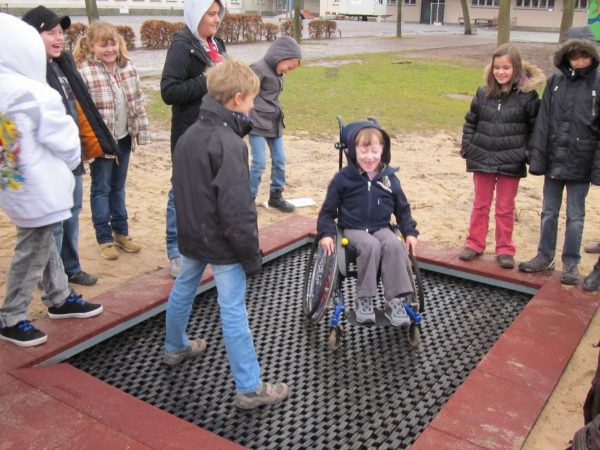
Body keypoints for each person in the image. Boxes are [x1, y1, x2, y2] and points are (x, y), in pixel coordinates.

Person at [163, 57, 289, 410]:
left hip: (193, 233)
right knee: (233, 309)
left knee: (184, 287)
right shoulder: (229, 145)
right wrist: (250, 256)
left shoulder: (190, 134)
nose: (252, 105)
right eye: (250, 100)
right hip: (221, 242)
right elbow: (237, 208)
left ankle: (175, 346)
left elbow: (182, 190)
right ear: (236, 99)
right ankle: (249, 387)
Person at [0, 13, 103, 348]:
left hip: (12, 182)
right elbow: (65, 139)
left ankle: (58, 296)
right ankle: (12, 315)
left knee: (41, 240)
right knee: (33, 247)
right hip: (42, 186)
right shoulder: (34, 93)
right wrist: (73, 162)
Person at [22, 6, 120, 286]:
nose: (59, 38)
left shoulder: (63, 64)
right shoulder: (29, 70)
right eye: (50, 33)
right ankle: (50, 278)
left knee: (71, 215)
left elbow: (81, 109)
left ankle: (71, 267)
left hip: (71, 156)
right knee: (51, 224)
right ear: (30, 36)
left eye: (61, 33)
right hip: (46, 162)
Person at [316, 120, 419, 326]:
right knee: (370, 245)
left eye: (374, 151)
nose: (369, 157)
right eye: (363, 151)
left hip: (381, 227)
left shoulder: (389, 179)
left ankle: (395, 301)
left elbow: (402, 209)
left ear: (383, 151)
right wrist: (326, 233)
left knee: (393, 244)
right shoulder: (343, 179)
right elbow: (327, 212)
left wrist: (410, 232)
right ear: (353, 151)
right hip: (353, 229)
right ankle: (364, 299)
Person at [518, 32, 600, 285]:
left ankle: (571, 262)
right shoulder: (555, 82)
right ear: (566, 55)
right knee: (548, 212)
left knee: (575, 216)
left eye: (584, 55)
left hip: (581, 160)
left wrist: (597, 166)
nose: (580, 60)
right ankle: (545, 256)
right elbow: (543, 122)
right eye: (575, 55)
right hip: (554, 158)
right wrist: (538, 157)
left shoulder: (598, 84)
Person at [458, 44, 544, 269]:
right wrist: (469, 145)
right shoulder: (483, 93)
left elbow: (536, 128)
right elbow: (471, 120)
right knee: (480, 204)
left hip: (511, 158)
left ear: (515, 69)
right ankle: (475, 243)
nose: (501, 72)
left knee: (505, 207)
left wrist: (527, 153)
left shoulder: (527, 97)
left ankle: (505, 248)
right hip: (482, 155)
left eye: (506, 68)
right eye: (497, 67)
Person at [73, 21, 151, 261]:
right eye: (103, 45)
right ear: (91, 47)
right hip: (101, 141)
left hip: (123, 137)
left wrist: (141, 132)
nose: (109, 49)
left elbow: (137, 101)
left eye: (112, 44)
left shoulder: (127, 68)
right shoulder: (85, 72)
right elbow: (81, 111)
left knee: (118, 186)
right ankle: (104, 236)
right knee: (101, 188)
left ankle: (121, 232)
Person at [161, 0, 226, 278]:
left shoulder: (217, 43)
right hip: (189, 132)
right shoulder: (181, 45)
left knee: (209, 190)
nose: (216, 19)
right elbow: (169, 91)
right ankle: (175, 251)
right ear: (196, 14)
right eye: (210, 14)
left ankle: (203, 243)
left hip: (216, 129)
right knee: (181, 192)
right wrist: (209, 79)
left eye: (218, 14)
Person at [249, 36, 302, 212]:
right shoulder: (257, 69)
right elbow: (245, 95)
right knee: (259, 163)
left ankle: (276, 196)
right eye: (289, 66)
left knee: (280, 160)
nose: (288, 71)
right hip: (257, 124)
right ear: (279, 57)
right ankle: (247, 200)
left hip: (274, 123)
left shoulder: (278, 72)